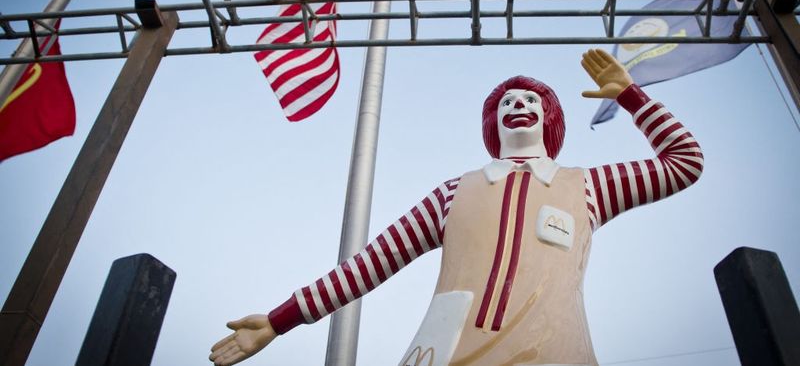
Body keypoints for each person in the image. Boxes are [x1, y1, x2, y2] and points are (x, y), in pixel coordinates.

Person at [209, 49, 704, 366]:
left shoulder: (589, 186)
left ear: (549, 117)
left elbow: (684, 162)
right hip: (449, 352)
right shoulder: (455, 192)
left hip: (556, 353)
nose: (519, 105)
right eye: (507, 101)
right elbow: (371, 263)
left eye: (531, 100)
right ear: (494, 121)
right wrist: (279, 320)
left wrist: (631, 96)